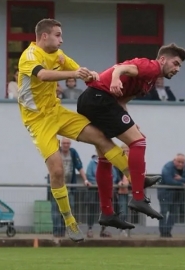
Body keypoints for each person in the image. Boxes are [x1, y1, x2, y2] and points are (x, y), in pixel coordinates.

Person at [17, 18, 159, 242]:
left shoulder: (59, 55)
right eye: (57, 35)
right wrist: (75, 75)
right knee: (56, 172)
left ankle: (134, 179)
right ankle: (70, 221)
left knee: (101, 138)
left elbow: (76, 68)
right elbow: (43, 74)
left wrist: (90, 75)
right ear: (44, 36)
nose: (61, 40)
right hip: (37, 121)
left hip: (57, 112)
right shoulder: (30, 56)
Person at [77, 43, 185, 222]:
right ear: (163, 59)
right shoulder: (151, 67)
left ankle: (107, 213)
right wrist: (115, 79)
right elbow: (121, 68)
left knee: (105, 154)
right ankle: (138, 196)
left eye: (180, 66)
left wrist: (131, 123)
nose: (178, 69)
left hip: (95, 101)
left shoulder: (148, 82)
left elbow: (121, 102)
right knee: (139, 142)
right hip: (99, 98)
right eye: (176, 63)